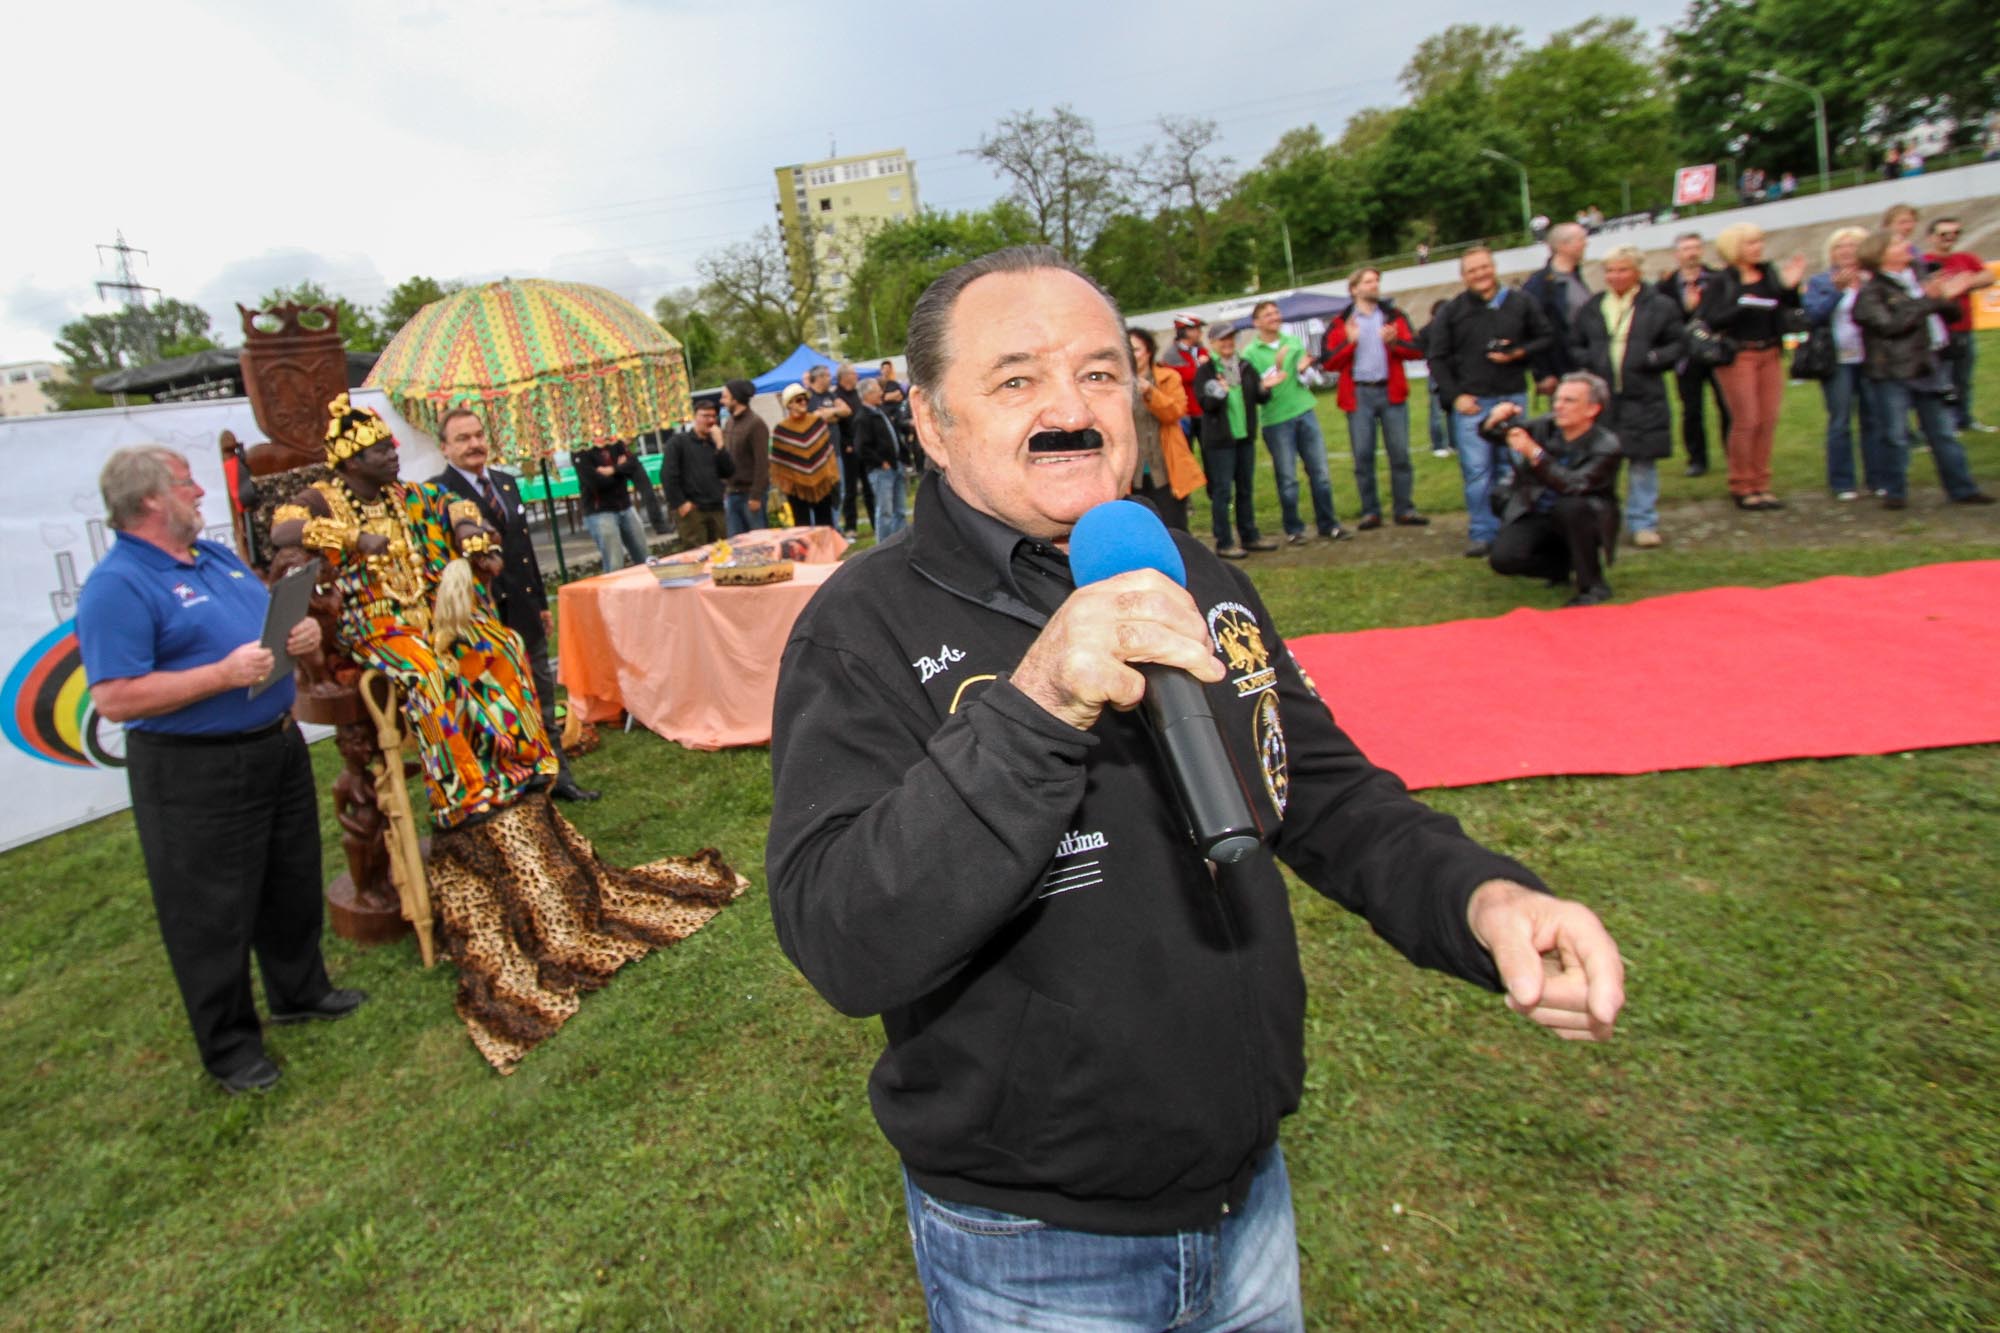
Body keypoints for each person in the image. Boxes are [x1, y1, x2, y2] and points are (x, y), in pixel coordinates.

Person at [766, 246, 1625, 1328]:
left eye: (1096, 371)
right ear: (933, 426)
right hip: (1036, 1251)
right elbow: (842, 937)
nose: (1070, 406)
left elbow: (1321, 792)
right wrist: (1035, 707)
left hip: (1249, 1202)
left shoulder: (1190, 570)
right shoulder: (858, 628)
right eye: (1017, 379)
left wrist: (1480, 899)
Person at [76, 446, 361, 1094]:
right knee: (209, 908)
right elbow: (114, 697)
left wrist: (299, 638)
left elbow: (264, 624)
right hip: (195, 769)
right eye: (186, 482)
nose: (202, 490)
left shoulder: (215, 557)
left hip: (273, 741)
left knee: (290, 875)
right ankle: (230, 1046)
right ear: (150, 499)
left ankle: (300, 989)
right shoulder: (118, 583)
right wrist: (220, 676)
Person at [429, 407, 597, 802]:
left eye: (477, 435)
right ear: (444, 448)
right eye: (462, 439)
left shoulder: (505, 484)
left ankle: (559, 777)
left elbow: (523, 551)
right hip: (481, 619)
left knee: (541, 694)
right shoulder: (437, 494)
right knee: (498, 706)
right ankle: (516, 783)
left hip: (523, 612)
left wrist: (540, 603)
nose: (474, 445)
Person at [1851, 230, 1995, 510]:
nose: (1906, 244)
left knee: (1942, 431)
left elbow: (1950, 315)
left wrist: (1947, 297)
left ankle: (1962, 488)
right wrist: (1926, 300)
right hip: (1892, 370)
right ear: (1880, 254)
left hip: (1928, 365)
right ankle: (1894, 492)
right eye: (1897, 241)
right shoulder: (1871, 291)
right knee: (1894, 434)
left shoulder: (1919, 277)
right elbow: (1890, 325)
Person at [1427, 247, 1554, 557]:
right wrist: (1455, 396)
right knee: (1477, 472)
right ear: (1463, 276)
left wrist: (1518, 353)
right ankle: (1482, 532)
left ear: (1493, 267)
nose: (1480, 275)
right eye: (1472, 271)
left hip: (1513, 398)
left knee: (1512, 468)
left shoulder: (1520, 301)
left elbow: (1546, 336)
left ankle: (1513, 528)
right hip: (1475, 404)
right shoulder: (1452, 311)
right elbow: (1437, 357)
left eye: (1484, 267)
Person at [1569, 245, 1685, 548]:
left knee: (1642, 462)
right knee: (1601, 463)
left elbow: (1678, 342)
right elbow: (1575, 344)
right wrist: (1591, 361)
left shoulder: (1659, 305)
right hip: (1604, 398)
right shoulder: (1593, 308)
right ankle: (1600, 520)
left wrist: (1653, 358)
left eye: (1622, 269)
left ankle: (1643, 522)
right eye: (1610, 270)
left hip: (1643, 394)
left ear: (1637, 271)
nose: (1615, 276)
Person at [1482, 374, 1623, 606]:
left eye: (1569, 401)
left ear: (1592, 409)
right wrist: (1495, 420)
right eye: (1558, 399)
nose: (1559, 406)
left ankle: (1593, 585)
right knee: (1503, 559)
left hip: (1585, 515)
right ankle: (1561, 566)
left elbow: (1574, 485)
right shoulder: (1545, 426)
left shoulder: (1607, 445)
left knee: (1571, 507)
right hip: (1538, 509)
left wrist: (1536, 455)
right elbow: (1500, 434)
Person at [1700, 223, 1808, 511]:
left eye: (1759, 242)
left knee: (1767, 420)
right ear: (1735, 247)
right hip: (1739, 354)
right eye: (1750, 243)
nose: (1757, 247)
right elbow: (1709, 318)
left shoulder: (1768, 272)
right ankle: (1742, 484)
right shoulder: (1722, 281)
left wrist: (1791, 286)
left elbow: (1787, 308)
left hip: (1770, 351)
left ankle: (1762, 483)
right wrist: (1741, 306)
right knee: (1746, 420)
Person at [1321, 267, 1429, 530]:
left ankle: (1404, 508)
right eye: (1368, 282)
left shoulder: (1393, 317)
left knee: (1400, 453)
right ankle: (1370, 511)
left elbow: (1416, 351)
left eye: (1376, 281)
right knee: (1363, 456)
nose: (1374, 285)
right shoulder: (1342, 322)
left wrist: (1394, 344)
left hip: (1390, 391)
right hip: (1359, 394)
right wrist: (1350, 342)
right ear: (1354, 289)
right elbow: (1329, 362)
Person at [1240, 298, 1349, 543]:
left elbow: (1311, 380)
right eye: (1267, 314)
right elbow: (1256, 391)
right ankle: (1294, 529)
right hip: (1276, 420)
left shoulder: (1293, 342)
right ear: (1257, 322)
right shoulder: (1250, 353)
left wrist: (1303, 370)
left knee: (1320, 472)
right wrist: (1274, 370)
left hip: (1304, 410)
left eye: (1276, 312)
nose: (1274, 317)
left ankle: (1328, 524)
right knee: (1288, 478)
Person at [1802, 227, 1882, 499]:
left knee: (1873, 418)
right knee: (1840, 421)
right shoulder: (1821, 282)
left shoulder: (1875, 279)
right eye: (1840, 247)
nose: (1846, 251)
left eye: (1852, 245)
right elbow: (1812, 315)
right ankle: (1842, 482)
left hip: (1871, 357)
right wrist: (1836, 292)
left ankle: (1878, 478)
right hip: (1837, 360)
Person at [1192, 320, 1278, 558]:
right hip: (1220, 442)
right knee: (1222, 492)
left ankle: (1250, 536)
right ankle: (1224, 541)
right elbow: (1205, 404)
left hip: (1244, 438)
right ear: (1213, 343)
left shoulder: (1246, 366)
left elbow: (1259, 398)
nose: (1228, 342)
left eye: (1231, 337)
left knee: (1245, 490)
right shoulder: (1206, 371)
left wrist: (1265, 388)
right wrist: (1219, 393)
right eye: (1222, 339)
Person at [1655, 233, 1731, 477]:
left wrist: (1701, 309)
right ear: (1677, 254)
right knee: (1692, 409)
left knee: (1727, 405)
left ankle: (1733, 453)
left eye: (1696, 248)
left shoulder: (1718, 279)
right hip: (1686, 356)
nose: (1692, 253)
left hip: (1716, 351)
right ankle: (1697, 459)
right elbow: (1664, 321)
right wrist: (1686, 309)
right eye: (1686, 249)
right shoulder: (1666, 287)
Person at [1126, 325, 1205, 532]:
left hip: (1166, 467)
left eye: (1135, 349)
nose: (1131, 355)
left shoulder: (1167, 377)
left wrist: (1151, 392)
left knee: (1174, 528)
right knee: (1143, 528)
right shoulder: (1118, 384)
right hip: (1132, 471)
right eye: (1127, 349)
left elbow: (1175, 412)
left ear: (1149, 351)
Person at [1923, 217, 1997, 432]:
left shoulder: (1965, 258)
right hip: (1939, 332)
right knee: (1942, 380)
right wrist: (1952, 287)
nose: (1950, 238)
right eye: (1944, 234)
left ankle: (1964, 418)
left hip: (1965, 328)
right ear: (1931, 237)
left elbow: (1988, 275)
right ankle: (1944, 425)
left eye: (1955, 233)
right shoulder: (1925, 261)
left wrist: (1966, 282)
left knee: (1963, 379)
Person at [1521, 222, 1591, 390]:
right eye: (1580, 239)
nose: (1585, 243)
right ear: (1562, 246)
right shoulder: (1540, 285)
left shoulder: (1575, 277)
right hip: (1563, 369)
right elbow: (1532, 330)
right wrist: (1543, 372)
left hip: (1585, 363)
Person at [661, 397, 734, 548]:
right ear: (695, 417)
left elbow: (728, 471)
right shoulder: (678, 442)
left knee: (722, 552)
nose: (710, 420)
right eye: (705, 416)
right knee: (696, 554)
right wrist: (680, 503)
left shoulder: (715, 443)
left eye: (713, 416)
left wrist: (721, 446)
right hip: (693, 510)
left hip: (716, 507)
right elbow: (668, 475)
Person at [571, 437, 653, 572]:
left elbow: (633, 465)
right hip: (600, 511)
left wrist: (613, 470)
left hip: (625, 505)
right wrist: (621, 470)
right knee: (614, 563)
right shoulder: (580, 450)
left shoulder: (615, 442)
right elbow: (595, 482)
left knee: (645, 557)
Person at [770, 382, 842, 528]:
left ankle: (826, 551)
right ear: (789, 404)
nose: (803, 402)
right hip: (796, 487)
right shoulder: (781, 430)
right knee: (801, 527)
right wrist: (789, 481)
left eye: (805, 399)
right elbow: (779, 463)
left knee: (825, 526)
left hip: (822, 482)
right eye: (798, 400)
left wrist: (829, 475)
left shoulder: (817, 422)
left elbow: (827, 453)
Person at [853, 377, 908, 539]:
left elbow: (893, 436)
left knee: (900, 510)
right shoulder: (862, 418)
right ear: (867, 395)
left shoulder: (880, 411)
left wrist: (902, 458)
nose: (881, 393)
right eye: (877, 390)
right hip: (881, 471)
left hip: (895, 465)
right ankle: (883, 545)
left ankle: (901, 542)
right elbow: (862, 448)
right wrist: (881, 463)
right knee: (885, 512)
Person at [720, 378, 770, 536]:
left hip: (750, 494)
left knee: (758, 542)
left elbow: (762, 463)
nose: (722, 401)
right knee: (736, 543)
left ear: (736, 398)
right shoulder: (729, 423)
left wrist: (756, 495)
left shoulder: (756, 424)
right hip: (732, 493)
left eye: (725, 397)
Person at [1156, 312, 1208, 440]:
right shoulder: (1171, 355)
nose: (1200, 332)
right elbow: (1183, 376)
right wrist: (1199, 367)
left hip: (1203, 410)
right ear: (1186, 331)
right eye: (1197, 329)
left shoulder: (1201, 350)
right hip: (1185, 414)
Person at [829, 364, 867, 534]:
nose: (856, 375)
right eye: (853, 373)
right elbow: (838, 424)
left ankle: (874, 521)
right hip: (848, 449)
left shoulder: (857, 394)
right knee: (850, 489)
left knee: (868, 487)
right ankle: (851, 526)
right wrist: (847, 444)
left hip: (863, 445)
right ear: (844, 377)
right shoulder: (837, 396)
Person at [1416, 299, 1453, 457]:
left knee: (1451, 411)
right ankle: (1439, 444)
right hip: (1437, 374)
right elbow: (1421, 350)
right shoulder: (1428, 331)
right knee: (1438, 412)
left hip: (1450, 374)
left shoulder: (1451, 328)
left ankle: (1450, 444)